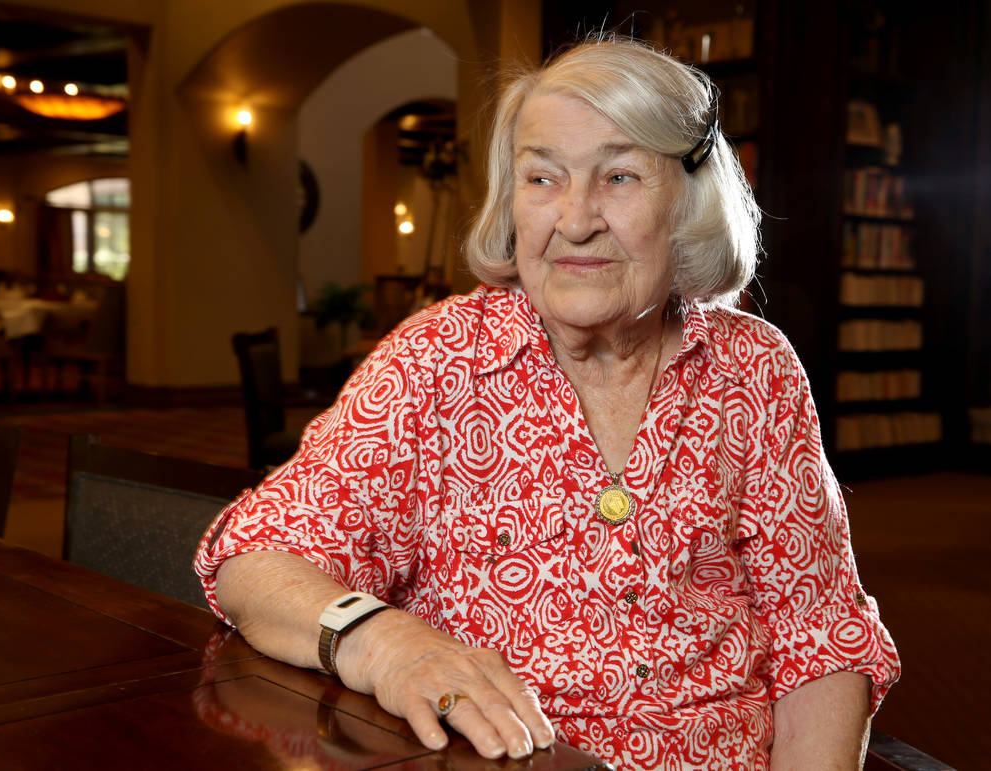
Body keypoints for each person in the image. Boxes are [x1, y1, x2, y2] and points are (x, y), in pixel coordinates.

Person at [195, 38, 900, 770]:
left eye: (619, 176)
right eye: (542, 177)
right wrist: (385, 642)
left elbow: (818, 635)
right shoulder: (442, 358)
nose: (574, 218)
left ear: (689, 202)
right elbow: (255, 558)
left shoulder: (752, 368)